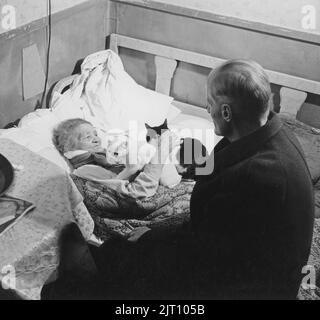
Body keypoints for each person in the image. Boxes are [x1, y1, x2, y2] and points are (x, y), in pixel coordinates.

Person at [44, 60, 315, 300]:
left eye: (209, 104)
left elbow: (205, 246)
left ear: (226, 112)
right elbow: (217, 170)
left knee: (131, 259)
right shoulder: (266, 131)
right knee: (134, 250)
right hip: (241, 251)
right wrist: (184, 166)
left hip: (250, 286)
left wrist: (152, 238)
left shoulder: (260, 175)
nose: (207, 109)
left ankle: (87, 280)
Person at [52, 118, 180, 199]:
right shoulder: (84, 170)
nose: (96, 139)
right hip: (143, 189)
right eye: (87, 137)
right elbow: (116, 186)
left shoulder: (104, 157)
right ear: (69, 148)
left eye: (95, 134)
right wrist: (129, 169)